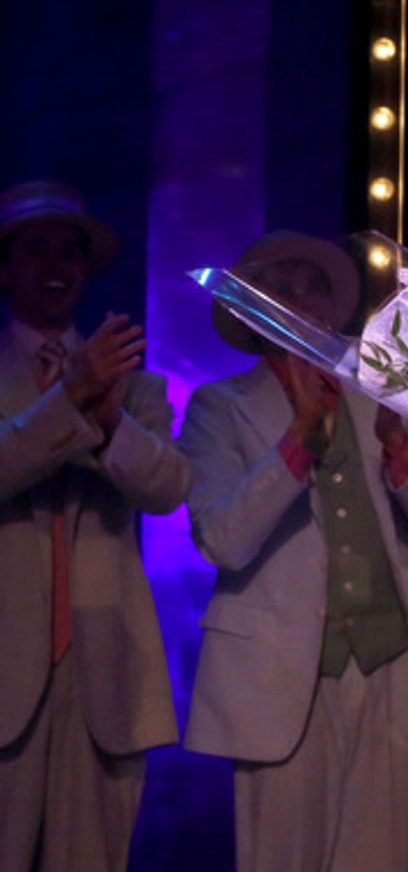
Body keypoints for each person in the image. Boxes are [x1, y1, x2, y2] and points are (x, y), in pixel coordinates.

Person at [180, 231, 408, 871]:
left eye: (316, 288)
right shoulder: (218, 407)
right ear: (253, 309)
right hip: (278, 675)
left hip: (391, 663)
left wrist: (403, 461)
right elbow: (223, 540)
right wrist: (298, 437)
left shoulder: (384, 393)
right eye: (285, 288)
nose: (304, 301)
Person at [0, 180, 187, 871]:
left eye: (71, 252)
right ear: (5, 267)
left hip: (102, 670)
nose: (56, 264)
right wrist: (68, 396)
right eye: (36, 248)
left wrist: (105, 414)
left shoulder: (134, 387)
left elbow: (170, 486)